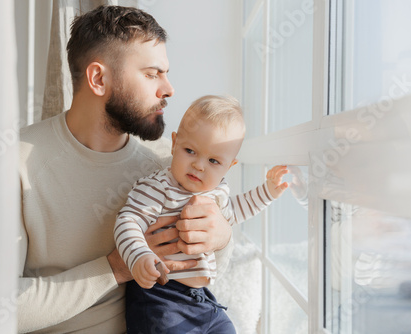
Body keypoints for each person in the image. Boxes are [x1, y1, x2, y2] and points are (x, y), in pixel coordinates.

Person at [18, 6, 235, 333]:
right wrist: (116, 268)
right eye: (152, 74)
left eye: (166, 73)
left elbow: (204, 273)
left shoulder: (169, 163)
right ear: (99, 78)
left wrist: (222, 237)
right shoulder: (16, 163)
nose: (169, 89)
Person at [114, 95, 289, 333]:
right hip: (161, 296)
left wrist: (268, 191)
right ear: (174, 144)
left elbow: (236, 211)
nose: (199, 165)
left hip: (202, 298)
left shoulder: (216, 194)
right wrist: (138, 255)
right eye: (190, 151)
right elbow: (128, 221)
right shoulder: (159, 188)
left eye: (214, 160)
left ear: (229, 166)